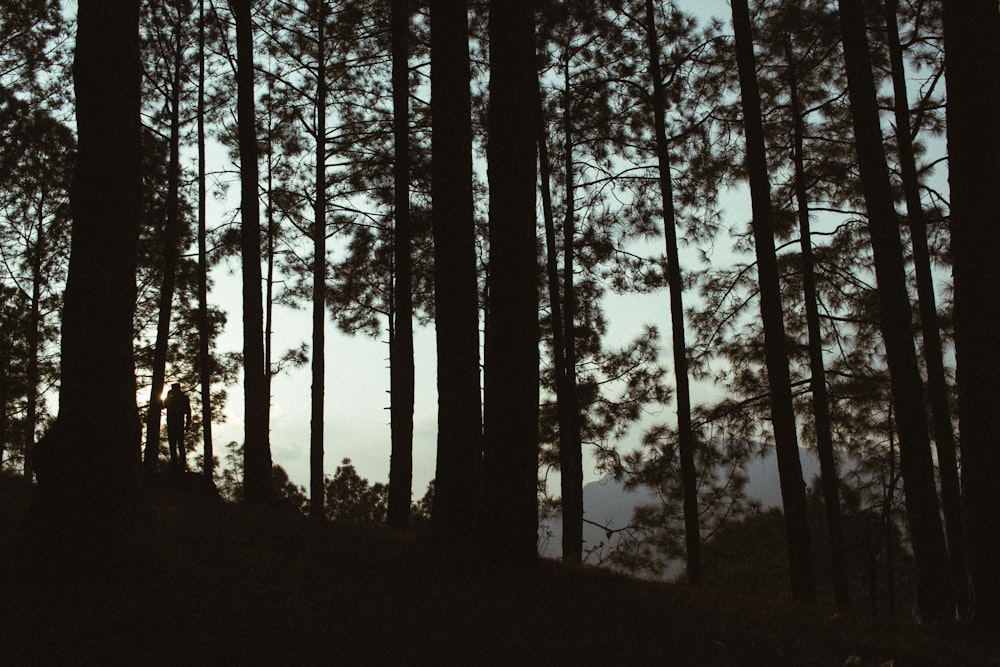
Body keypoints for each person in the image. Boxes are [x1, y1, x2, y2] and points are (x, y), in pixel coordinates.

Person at [164, 382, 192, 472]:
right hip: (172, 424)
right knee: (174, 444)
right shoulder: (171, 398)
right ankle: (175, 464)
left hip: (178, 424)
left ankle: (181, 464)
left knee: (179, 444)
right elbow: (164, 405)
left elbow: (188, 412)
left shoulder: (183, 398)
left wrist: (187, 424)